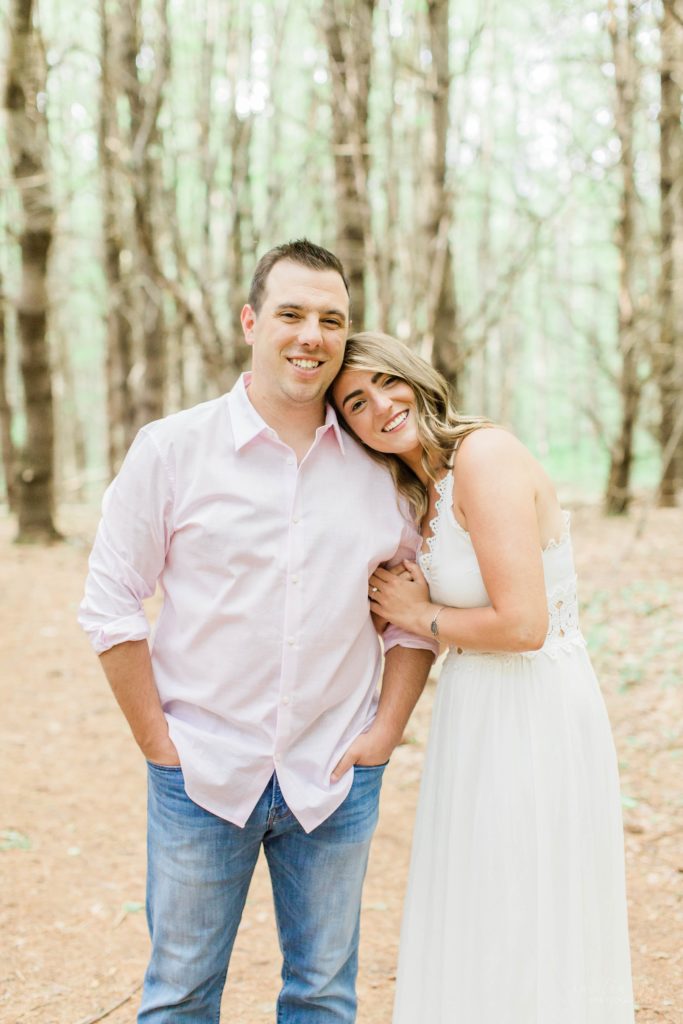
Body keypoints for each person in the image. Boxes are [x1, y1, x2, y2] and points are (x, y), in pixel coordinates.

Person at [78, 242, 437, 1024]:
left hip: (334, 775)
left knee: (321, 996)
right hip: (201, 770)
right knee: (179, 997)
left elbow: (411, 619)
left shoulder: (381, 465)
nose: (312, 334)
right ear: (250, 321)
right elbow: (110, 604)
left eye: (330, 319)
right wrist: (157, 742)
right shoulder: (172, 450)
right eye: (292, 314)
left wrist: (384, 732)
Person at [331, 331, 635, 1024]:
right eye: (355, 401)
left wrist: (420, 612)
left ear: (414, 376)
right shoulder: (420, 490)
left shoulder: (484, 456)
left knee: (526, 905)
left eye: (387, 381)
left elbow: (522, 624)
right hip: (474, 708)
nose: (380, 405)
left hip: (534, 707)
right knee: (479, 901)